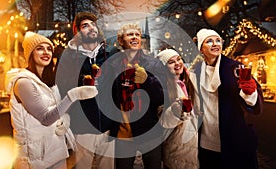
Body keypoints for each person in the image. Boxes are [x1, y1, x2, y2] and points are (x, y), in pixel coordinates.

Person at [5, 31, 98, 169]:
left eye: (49, 48)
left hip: (56, 151)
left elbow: (57, 109)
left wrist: (65, 118)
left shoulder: (50, 83)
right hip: (35, 157)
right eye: (39, 48)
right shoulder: (23, 83)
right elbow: (46, 118)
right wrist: (72, 96)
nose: (46, 52)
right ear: (30, 54)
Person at [191, 28, 264, 169]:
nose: (215, 44)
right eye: (209, 41)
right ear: (201, 48)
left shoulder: (235, 68)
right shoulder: (196, 72)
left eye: (218, 40)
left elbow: (255, 106)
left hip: (235, 140)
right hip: (206, 142)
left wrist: (249, 92)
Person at [98, 23, 167, 169]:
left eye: (137, 34)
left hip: (150, 132)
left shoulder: (154, 64)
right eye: (130, 34)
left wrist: (147, 80)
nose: (135, 37)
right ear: (121, 41)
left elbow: (162, 97)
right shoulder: (112, 65)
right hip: (123, 132)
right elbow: (106, 96)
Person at [55, 12, 114, 169]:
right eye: (85, 26)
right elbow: (61, 88)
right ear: (78, 32)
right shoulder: (68, 57)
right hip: (82, 127)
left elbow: (117, 89)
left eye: (93, 24)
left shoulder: (109, 54)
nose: (90, 28)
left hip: (108, 127)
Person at [156, 48, 200, 169]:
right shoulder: (163, 88)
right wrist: (176, 111)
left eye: (178, 59)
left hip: (195, 145)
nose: (177, 63)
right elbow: (163, 122)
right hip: (177, 147)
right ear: (164, 68)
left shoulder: (191, 80)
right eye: (171, 62)